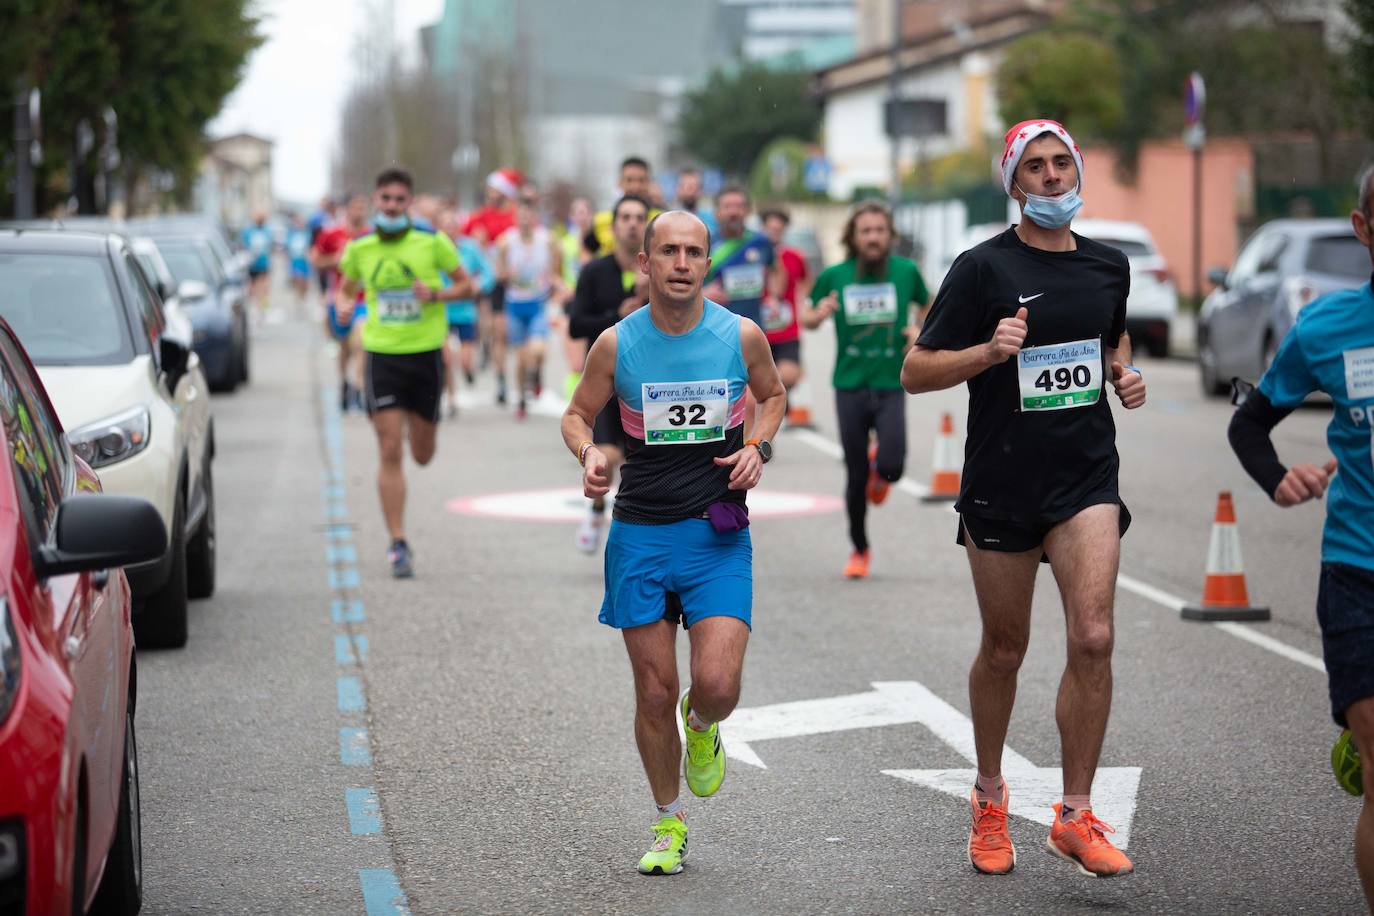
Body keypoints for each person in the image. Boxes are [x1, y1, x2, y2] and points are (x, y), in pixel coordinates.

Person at [901, 120, 1145, 878]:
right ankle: (990, 795)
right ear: (1013, 182)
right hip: (1002, 484)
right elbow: (915, 369)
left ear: (1077, 173)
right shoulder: (982, 269)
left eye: (1059, 163)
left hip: (1085, 481)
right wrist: (987, 352)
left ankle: (1073, 815)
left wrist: (1121, 374)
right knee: (1005, 650)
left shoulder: (1109, 266)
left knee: (1094, 637)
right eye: (1033, 167)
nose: (1048, 177)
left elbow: (1112, 339)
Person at [560, 209, 786, 876]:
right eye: (669, 251)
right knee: (653, 692)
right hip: (639, 534)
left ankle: (705, 723)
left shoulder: (740, 335)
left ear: (707, 265)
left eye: (694, 252)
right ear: (646, 264)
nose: (682, 263)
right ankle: (668, 821)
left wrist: (758, 446)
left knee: (714, 683)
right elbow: (576, 413)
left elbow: (772, 398)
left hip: (716, 533)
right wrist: (588, 457)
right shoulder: (616, 344)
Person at [1228, 163, 1374, 910]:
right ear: (1364, 230)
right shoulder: (1326, 328)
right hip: (1357, 570)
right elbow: (1248, 421)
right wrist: (1277, 477)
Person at [337, 167, 475, 578]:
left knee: (422, 453)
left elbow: (468, 286)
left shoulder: (433, 242)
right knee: (389, 449)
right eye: (386, 199)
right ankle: (398, 542)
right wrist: (342, 309)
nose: (392, 206)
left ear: (409, 203)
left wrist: (437, 294)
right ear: (376, 201)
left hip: (426, 356)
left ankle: (424, 430)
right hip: (381, 355)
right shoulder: (359, 248)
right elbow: (344, 292)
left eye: (400, 200)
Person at [801, 200, 927, 579]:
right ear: (853, 237)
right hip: (850, 385)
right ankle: (859, 547)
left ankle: (881, 466)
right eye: (865, 231)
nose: (873, 237)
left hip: (892, 382)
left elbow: (930, 306)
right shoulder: (836, 275)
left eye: (879, 231)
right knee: (856, 476)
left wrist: (920, 331)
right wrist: (818, 313)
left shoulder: (906, 272)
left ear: (890, 236)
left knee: (891, 467)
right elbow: (805, 316)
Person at [566, 194, 651, 553]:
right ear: (613, 226)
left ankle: (635, 534)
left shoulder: (658, 270)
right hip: (605, 381)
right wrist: (617, 316)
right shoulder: (594, 272)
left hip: (649, 381)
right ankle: (597, 508)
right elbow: (574, 326)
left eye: (639, 217)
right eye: (625, 217)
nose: (632, 223)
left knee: (640, 465)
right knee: (608, 456)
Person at [497, 186, 564, 420]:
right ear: (516, 219)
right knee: (521, 358)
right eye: (520, 217)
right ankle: (522, 398)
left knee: (538, 350)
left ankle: (536, 376)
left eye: (529, 217)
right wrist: (508, 274)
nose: (524, 221)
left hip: (537, 303)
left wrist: (557, 283)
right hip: (515, 305)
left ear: (534, 218)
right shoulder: (506, 242)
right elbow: (500, 274)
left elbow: (556, 270)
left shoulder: (547, 240)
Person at [465, 169, 522, 404]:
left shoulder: (517, 217)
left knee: (506, 333)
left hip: (514, 283)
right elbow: (463, 246)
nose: (491, 193)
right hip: (490, 281)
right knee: (492, 327)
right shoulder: (478, 218)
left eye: (495, 189)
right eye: (489, 189)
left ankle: (515, 374)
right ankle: (499, 379)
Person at [313, 193, 372, 412]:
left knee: (361, 341)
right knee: (344, 347)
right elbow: (315, 259)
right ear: (346, 210)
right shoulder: (331, 234)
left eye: (362, 208)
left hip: (364, 299)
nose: (359, 212)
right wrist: (333, 260)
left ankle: (358, 387)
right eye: (355, 208)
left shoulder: (372, 236)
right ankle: (344, 383)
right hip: (340, 297)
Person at [438, 208, 495, 418]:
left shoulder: (469, 248)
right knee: (445, 359)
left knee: (464, 360)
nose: (449, 230)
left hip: (465, 312)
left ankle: (468, 370)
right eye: (445, 226)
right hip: (441, 310)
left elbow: (488, 272)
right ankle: (451, 399)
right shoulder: (435, 248)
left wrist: (479, 285)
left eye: (452, 226)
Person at [759, 205, 812, 426]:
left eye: (778, 229)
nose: (774, 233)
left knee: (788, 375)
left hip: (787, 329)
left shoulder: (795, 256)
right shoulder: (755, 253)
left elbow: (807, 280)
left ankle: (779, 398)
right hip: (759, 331)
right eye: (770, 228)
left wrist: (801, 300)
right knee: (757, 384)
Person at [702, 185, 776, 331]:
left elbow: (775, 270)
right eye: (727, 207)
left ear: (748, 211)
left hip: (753, 326)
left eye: (739, 206)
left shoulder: (761, 242)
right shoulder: (704, 243)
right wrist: (701, 294)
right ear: (716, 212)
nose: (734, 212)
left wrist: (773, 297)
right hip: (714, 327)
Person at [558, 196, 597, 399]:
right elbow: (553, 273)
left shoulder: (599, 244)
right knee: (576, 364)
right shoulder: (564, 244)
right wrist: (561, 287)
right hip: (570, 306)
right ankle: (572, 409)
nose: (582, 217)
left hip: (594, 307)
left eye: (585, 212)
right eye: (578, 212)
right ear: (572, 217)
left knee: (591, 364)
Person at [589, 156, 660, 255]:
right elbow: (585, 254)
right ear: (619, 182)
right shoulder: (601, 221)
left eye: (641, 180)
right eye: (629, 180)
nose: (635, 186)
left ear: (649, 183)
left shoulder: (661, 220)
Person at [240, 211, 273, 314]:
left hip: (263, 264)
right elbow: (243, 246)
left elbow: (270, 247)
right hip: (252, 265)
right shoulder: (248, 231)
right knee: (251, 288)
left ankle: (262, 307)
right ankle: (253, 306)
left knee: (263, 287)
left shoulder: (267, 231)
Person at [674, 167, 716, 237]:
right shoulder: (666, 218)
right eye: (685, 187)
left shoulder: (713, 219)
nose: (690, 192)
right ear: (677, 189)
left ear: (701, 190)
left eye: (695, 187)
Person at [285, 213, 313, 311]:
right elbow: (287, 249)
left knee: (305, 284)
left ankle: (302, 298)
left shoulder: (306, 234)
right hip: (295, 262)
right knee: (298, 280)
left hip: (304, 263)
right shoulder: (291, 234)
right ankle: (298, 301)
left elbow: (310, 248)